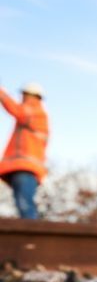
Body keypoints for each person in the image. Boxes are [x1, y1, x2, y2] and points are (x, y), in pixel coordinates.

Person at [0, 82, 49, 219]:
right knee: (22, 204)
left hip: (26, 168)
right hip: (20, 168)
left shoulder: (36, 113)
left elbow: (17, 110)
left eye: (24, 95)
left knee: (25, 205)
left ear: (33, 96)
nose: (22, 98)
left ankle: (33, 237)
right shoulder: (32, 115)